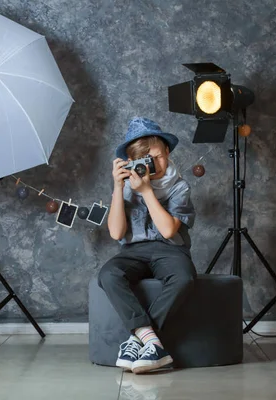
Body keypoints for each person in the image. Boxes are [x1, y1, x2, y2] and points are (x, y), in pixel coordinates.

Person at [97, 117, 197, 374]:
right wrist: (118, 188)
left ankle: (136, 340)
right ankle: (151, 341)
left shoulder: (179, 186)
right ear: (134, 163)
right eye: (148, 160)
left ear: (168, 154)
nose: (157, 164)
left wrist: (147, 192)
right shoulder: (129, 187)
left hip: (170, 249)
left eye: (161, 156)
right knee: (108, 273)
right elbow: (116, 232)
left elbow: (168, 230)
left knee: (184, 277)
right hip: (134, 251)